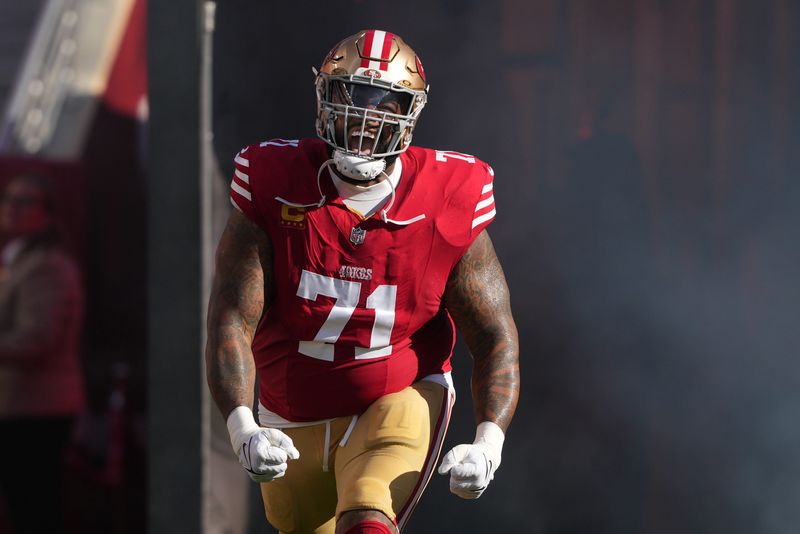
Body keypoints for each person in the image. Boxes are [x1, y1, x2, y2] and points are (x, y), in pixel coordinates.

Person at [206, 30, 520, 534]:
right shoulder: (274, 180)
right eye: (350, 99)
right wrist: (242, 426)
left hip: (399, 391)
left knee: (369, 510)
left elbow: (493, 334)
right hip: (293, 410)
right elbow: (231, 317)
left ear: (410, 114)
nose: (364, 122)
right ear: (323, 98)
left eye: (383, 106)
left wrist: (489, 442)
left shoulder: (447, 195)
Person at [0, 174, 85, 533]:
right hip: (20, 406)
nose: (11, 209)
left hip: (38, 409)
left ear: (46, 214)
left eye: (25, 201)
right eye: (9, 199)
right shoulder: (17, 260)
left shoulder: (47, 265)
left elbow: (38, 338)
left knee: (35, 507)